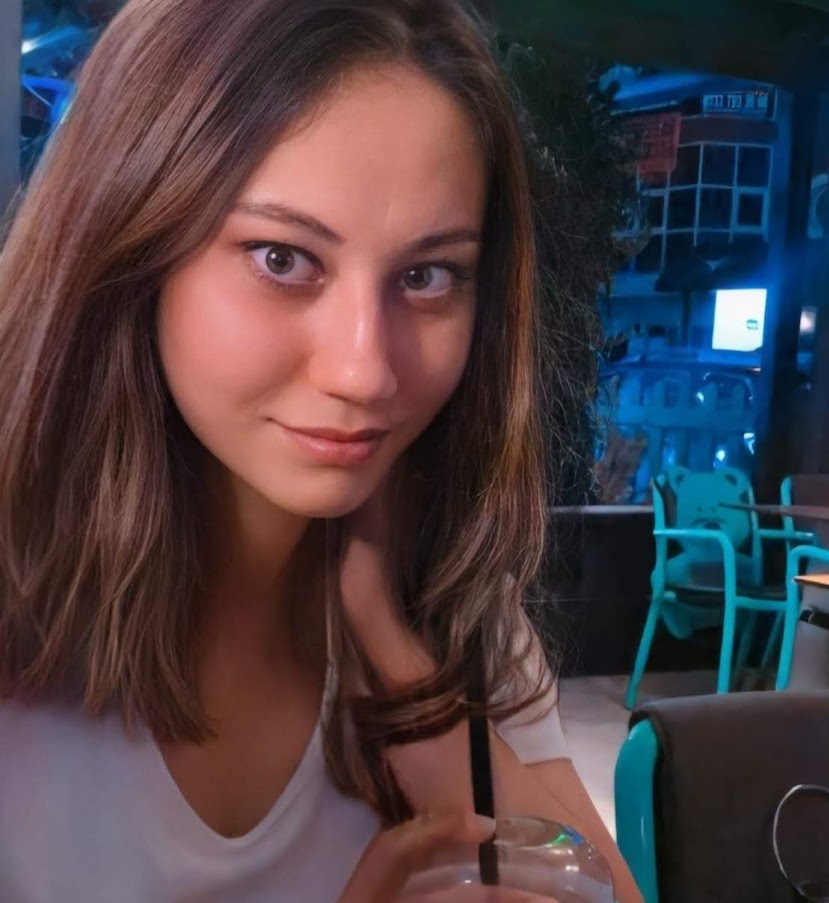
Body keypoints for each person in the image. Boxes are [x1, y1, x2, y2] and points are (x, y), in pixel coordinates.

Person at [0, 0, 642, 900]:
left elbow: (593, 884)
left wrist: (393, 653)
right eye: (282, 259)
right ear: (129, 241)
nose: (365, 371)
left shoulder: (450, 614)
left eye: (426, 276)